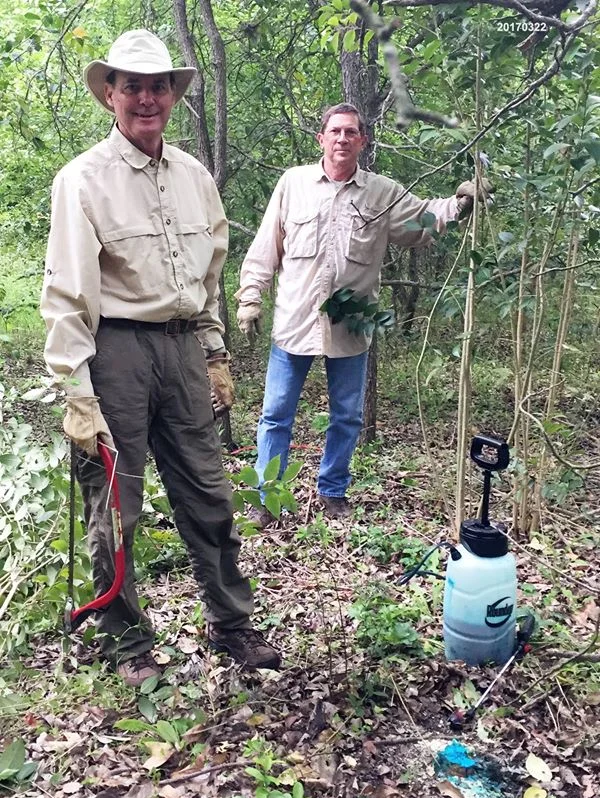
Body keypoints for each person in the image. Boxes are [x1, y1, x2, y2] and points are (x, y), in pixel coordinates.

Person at [40, 29, 280, 686]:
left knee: (208, 494)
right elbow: (65, 292)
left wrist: (214, 353)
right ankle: (124, 642)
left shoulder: (195, 178)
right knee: (113, 505)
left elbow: (208, 277)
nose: (146, 99)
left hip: (180, 353)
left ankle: (232, 624)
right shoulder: (82, 180)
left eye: (158, 86)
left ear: (172, 95)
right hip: (114, 349)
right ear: (110, 94)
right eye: (132, 86)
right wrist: (78, 392)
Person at [236, 102, 489, 526]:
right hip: (294, 321)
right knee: (276, 414)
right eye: (334, 131)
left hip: (351, 325)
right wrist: (249, 296)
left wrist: (460, 203)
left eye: (351, 132)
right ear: (321, 138)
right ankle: (269, 497)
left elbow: (421, 220)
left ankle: (333, 491)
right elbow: (267, 244)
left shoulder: (382, 193)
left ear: (362, 142)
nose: (341, 139)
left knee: (347, 414)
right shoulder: (293, 184)